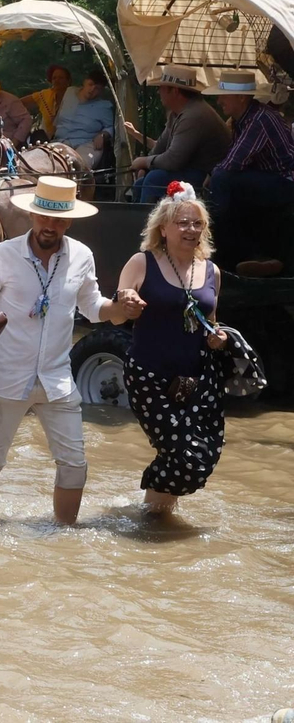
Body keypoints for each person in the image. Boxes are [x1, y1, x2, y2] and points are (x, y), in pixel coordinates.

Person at [0, 177, 145, 525]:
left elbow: (94, 308)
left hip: (58, 380)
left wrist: (124, 310)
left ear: (70, 220)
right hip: (7, 377)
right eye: (45, 216)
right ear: (34, 214)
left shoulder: (81, 256)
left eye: (59, 218)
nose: (51, 225)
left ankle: (64, 537)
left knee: (75, 464)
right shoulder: (4, 254)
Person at [117, 182, 231, 515]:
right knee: (186, 458)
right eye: (183, 223)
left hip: (196, 380)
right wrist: (128, 300)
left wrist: (219, 337)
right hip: (148, 376)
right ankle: (147, 511)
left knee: (205, 454)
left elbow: (212, 321)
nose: (191, 229)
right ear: (163, 228)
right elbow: (121, 297)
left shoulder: (213, 272)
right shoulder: (142, 262)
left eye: (197, 223)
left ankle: (152, 514)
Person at [205, 70, 294, 275]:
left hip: (285, 181)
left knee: (222, 179)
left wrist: (211, 175)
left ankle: (220, 251)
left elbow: (233, 163)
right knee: (225, 184)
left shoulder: (259, 120)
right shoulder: (243, 119)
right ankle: (253, 256)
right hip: (271, 179)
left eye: (223, 95)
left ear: (241, 97)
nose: (219, 101)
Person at [125, 65, 232, 202]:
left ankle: (150, 222)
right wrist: (145, 166)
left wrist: (145, 162)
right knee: (141, 183)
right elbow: (161, 147)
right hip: (194, 171)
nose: (158, 92)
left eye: (161, 88)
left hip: (208, 178)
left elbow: (173, 160)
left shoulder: (194, 115)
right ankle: (137, 220)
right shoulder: (178, 114)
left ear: (174, 91)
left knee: (154, 179)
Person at [53, 69, 116, 167]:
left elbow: (111, 126)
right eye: (90, 85)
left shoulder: (104, 106)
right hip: (61, 140)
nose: (92, 90)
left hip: (86, 143)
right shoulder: (70, 92)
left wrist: (103, 134)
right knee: (47, 162)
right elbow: (58, 117)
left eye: (97, 88)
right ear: (84, 82)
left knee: (80, 165)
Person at [23, 65, 72, 136]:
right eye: (54, 78)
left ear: (68, 81)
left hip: (69, 137)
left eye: (61, 78)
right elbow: (18, 103)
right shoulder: (45, 95)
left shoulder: (75, 95)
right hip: (47, 138)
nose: (57, 80)